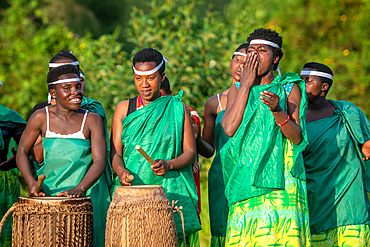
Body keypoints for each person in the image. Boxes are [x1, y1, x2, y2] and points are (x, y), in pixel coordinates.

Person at [221, 28, 311, 246]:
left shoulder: (289, 88)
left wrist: (278, 111)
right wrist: (246, 84)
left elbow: (297, 138)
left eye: (262, 50)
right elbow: (229, 128)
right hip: (246, 182)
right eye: (251, 50)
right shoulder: (237, 90)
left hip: (282, 185)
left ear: (276, 58)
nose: (255, 55)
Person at [110, 48, 201, 246]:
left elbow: (190, 153)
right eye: (138, 78)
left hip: (169, 195)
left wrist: (168, 164)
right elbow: (116, 154)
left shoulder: (178, 108)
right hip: (133, 195)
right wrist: (121, 170)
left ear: (162, 77)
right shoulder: (124, 109)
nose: (144, 85)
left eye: (150, 78)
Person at [16, 65, 110, 247]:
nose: (76, 92)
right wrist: (31, 182)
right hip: (48, 200)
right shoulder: (40, 117)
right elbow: (21, 152)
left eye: (78, 86)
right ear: (53, 92)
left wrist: (80, 188)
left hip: (82, 200)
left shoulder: (92, 119)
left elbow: (100, 160)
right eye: (67, 88)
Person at [300, 62, 370, 245]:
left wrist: (364, 146)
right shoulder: (293, 118)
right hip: (314, 197)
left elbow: (364, 141)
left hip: (350, 200)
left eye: (308, 81)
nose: (302, 84)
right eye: (300, 80)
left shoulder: (347, 112)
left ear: (324, 86)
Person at [197, 43, 248, 247]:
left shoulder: (260, 98)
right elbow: (209, 150)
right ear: (230, 62)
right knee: (222, 229)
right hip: (222, 175)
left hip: (249, 172)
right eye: (237, 60)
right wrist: (195, 136)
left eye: (247, 63)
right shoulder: (214, 103)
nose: (240, 66)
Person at [160, 76, 202, 220]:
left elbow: (194, 150)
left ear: (170, 94)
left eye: (162, 97)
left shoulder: (187, 113)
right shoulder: (143, 113)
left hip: (182, 179)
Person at [0, 103, 26, 247]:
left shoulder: (10, 118)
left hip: (3, 183)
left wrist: (17, 158)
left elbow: (28, 148)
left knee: (5, 229)